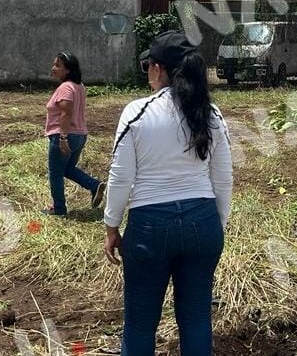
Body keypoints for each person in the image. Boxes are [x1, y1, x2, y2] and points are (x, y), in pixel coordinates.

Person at [103, 31, 233, 356]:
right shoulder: (211, 115)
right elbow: (223, 179)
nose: (147, 72)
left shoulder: (137, 113)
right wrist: (218, 225)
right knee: (196, 320)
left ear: (158, 69)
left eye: (148, 65)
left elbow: (120, 178)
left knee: (139, 324)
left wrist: (111, 226)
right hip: (203, 224)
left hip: (150, 228)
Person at [43, 52, 105, 216]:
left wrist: (62, 138)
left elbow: (65, 113)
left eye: (58, 65)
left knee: (55, 173)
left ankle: (59, 209)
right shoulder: (79, 87)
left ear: (68, 70)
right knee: (67, 168)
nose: (53, 68)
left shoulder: (66, 87)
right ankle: (94, 185)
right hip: (80, 135)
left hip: (65, 135)